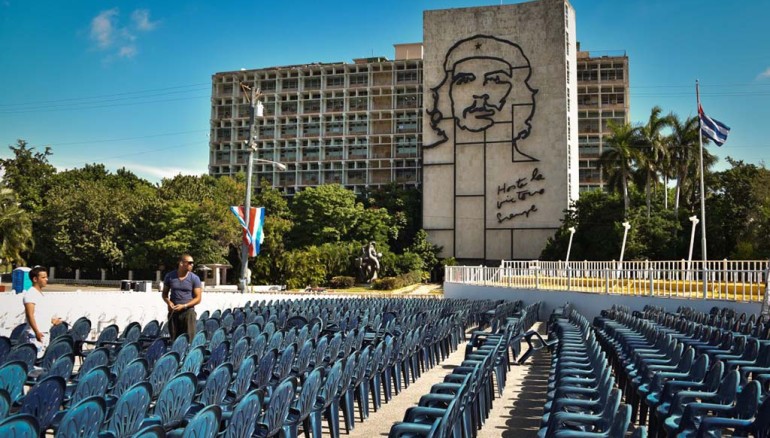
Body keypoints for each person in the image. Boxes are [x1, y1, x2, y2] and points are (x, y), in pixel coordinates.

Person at [425, 34, 538, 162]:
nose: (479, 93)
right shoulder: (434, 159)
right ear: (447, 93)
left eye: (495, 80)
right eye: (464, 81)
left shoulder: (528, 165)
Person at [23, 266, 62, 357]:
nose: (46, 279)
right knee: (34, 359)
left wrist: (52, 321)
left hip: (44, 332)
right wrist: (36, 332)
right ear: (35, 279)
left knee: (41, 359)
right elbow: (30, 315)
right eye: (43, 277)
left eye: (46, 277)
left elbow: (40, 314)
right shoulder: (30, 294)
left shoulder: (40, 294)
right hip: (35, 334)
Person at [162, 254, 202, 341]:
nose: (192, 265)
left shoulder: (194, 278)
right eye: (190, 263)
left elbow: (198, 298)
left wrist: (184, 306)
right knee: (174, 339)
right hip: (174, 311)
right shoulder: (169, 276)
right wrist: (169, 302)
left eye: (192, 263)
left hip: (188, 312)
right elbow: (164, 294)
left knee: (189, 340)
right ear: (181, 263)